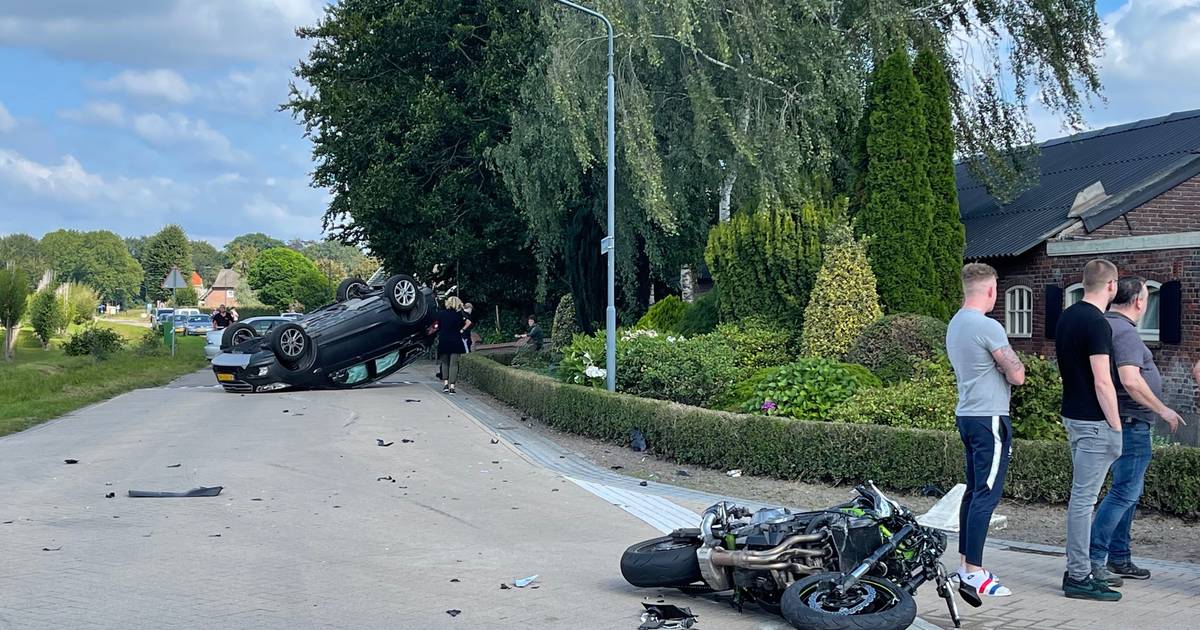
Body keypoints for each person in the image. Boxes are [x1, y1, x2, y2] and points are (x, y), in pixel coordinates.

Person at [1091, 278, 1184, 581]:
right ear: (1139, 302)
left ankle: (1119, 557)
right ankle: (1095, 558)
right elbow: (1130, 380)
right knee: (1124, 492)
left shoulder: (1104, 324)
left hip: (1118, 419)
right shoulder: (1126, 332)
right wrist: (1163, 409)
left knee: (1127, 492)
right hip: (1131, 421)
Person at [946, 263, 1025, 598]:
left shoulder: (956, 324)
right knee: (986, 495)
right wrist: (1007, 364)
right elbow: (1018, 375)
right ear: (991, 290)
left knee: (973, 491)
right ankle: (974, 573)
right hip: (989, 416)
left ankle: (966, 565)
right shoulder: (988, 326)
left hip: (967, 414)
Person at [1055, 259, 1123, 602]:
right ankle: (1079, 575)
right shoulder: (1097, 323)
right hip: (1095, 422)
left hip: (1073, 416)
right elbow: (1102, 379)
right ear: (1111, 285)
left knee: (1081, 499)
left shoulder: (1068, 316)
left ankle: (1079, 569)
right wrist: (1115, 425)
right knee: (1083, 501)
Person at [436, 296, 468, 394]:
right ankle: (452, 387)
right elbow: (467, 322)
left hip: (444, 340)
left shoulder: (441, 314)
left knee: (445, 363)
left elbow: (438, 326)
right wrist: (462, 330)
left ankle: (445, 384)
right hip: (456, 341)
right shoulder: (459, 315)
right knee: (454, 364)